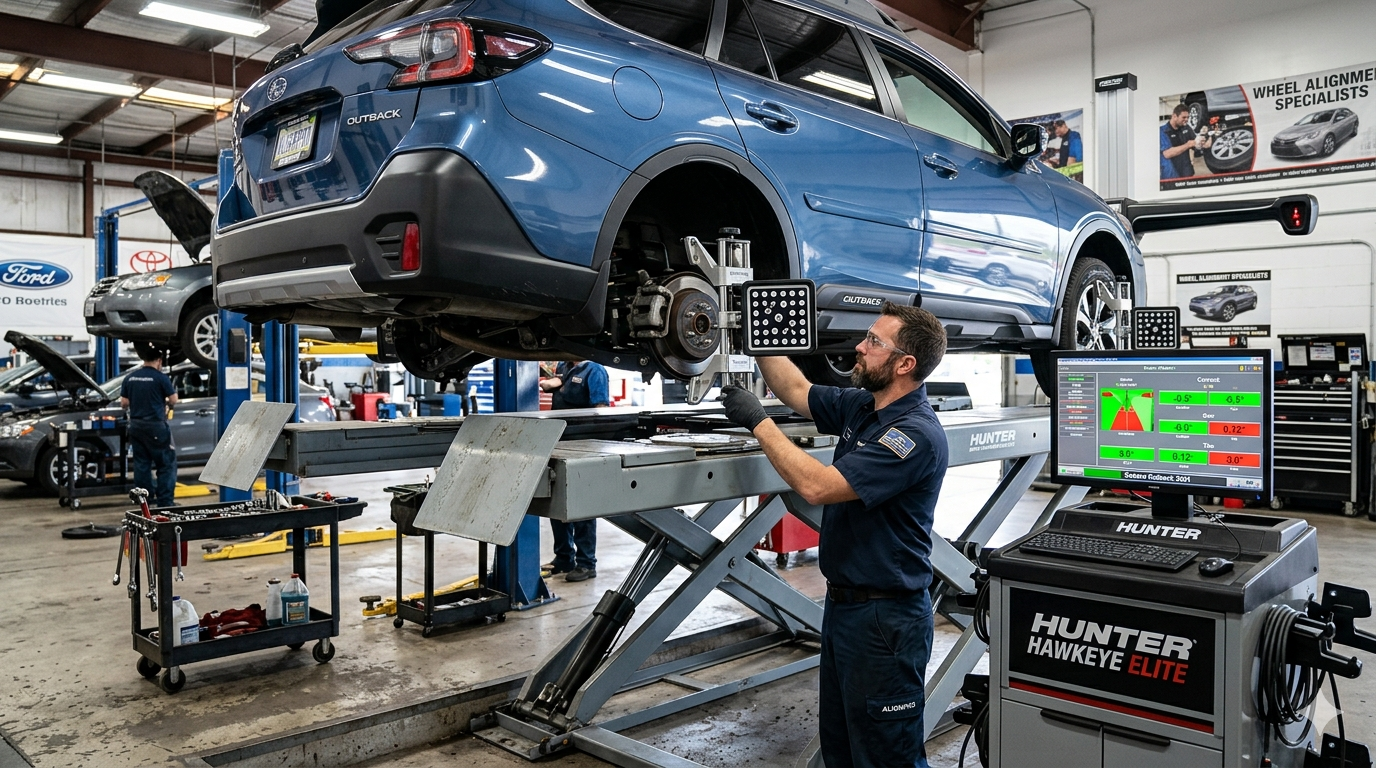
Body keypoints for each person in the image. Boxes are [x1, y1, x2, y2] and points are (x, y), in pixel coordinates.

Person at [718, 302, 949, 768]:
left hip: (886, 621)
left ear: (905, 364)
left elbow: (817, 486)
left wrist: (759, 421)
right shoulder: (863, 406)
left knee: (887, 758)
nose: (860, 346)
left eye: (875, 342)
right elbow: (797, 389)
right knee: (841, 748)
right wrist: (756, 333)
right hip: (845, 610)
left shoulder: (913, 435)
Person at [539, 359, 610, 582]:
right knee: (556, 503)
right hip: (559, 441)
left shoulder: (595, 370)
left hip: (583, 446)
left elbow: (601, 409)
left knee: (582, 507)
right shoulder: (564, 366)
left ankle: (587, 564)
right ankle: (564, 558)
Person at [120, 345, 179, 508]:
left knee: (141, 464)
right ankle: (165, 501)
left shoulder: (130, 377)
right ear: (159, 361)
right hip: (155, 425)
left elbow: (124, 403)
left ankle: (145, 500)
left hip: (136, 426)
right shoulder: (160, 378)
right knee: (166, 464)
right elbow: (173, 399)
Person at [1161, 103, 1211, 180]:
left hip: (1187, 173)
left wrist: (1204, 141)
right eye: (1184, 117)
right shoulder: (1163, 131)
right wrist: (1188, 145)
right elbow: (1167, 154)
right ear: (1174, 116)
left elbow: (1195, 144)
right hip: (1171, 176)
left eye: (1188, 117)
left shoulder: (1186, 128)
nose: (1186, 120)